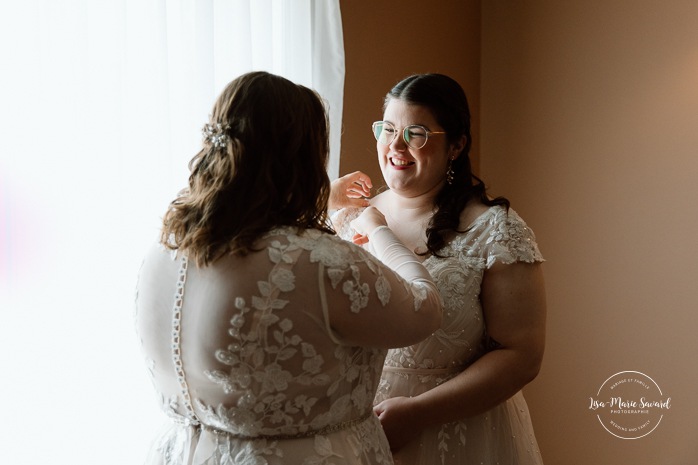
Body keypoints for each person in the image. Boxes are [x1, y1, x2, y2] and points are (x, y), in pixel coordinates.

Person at [134, 71, 443, 465]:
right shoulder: (317, 261)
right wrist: (378, 230)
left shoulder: (165, 248)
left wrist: (317, 203)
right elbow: (426, 307)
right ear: (303, 159)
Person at [330, 73, 547, 465]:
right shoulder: (351, 218)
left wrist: (419, 413)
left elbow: (522, 355)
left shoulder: (496, 230)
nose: (395, 146)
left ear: (456, 145)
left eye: (416, 133)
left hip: (461, 436)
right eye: (388, 129)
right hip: (358, 430)